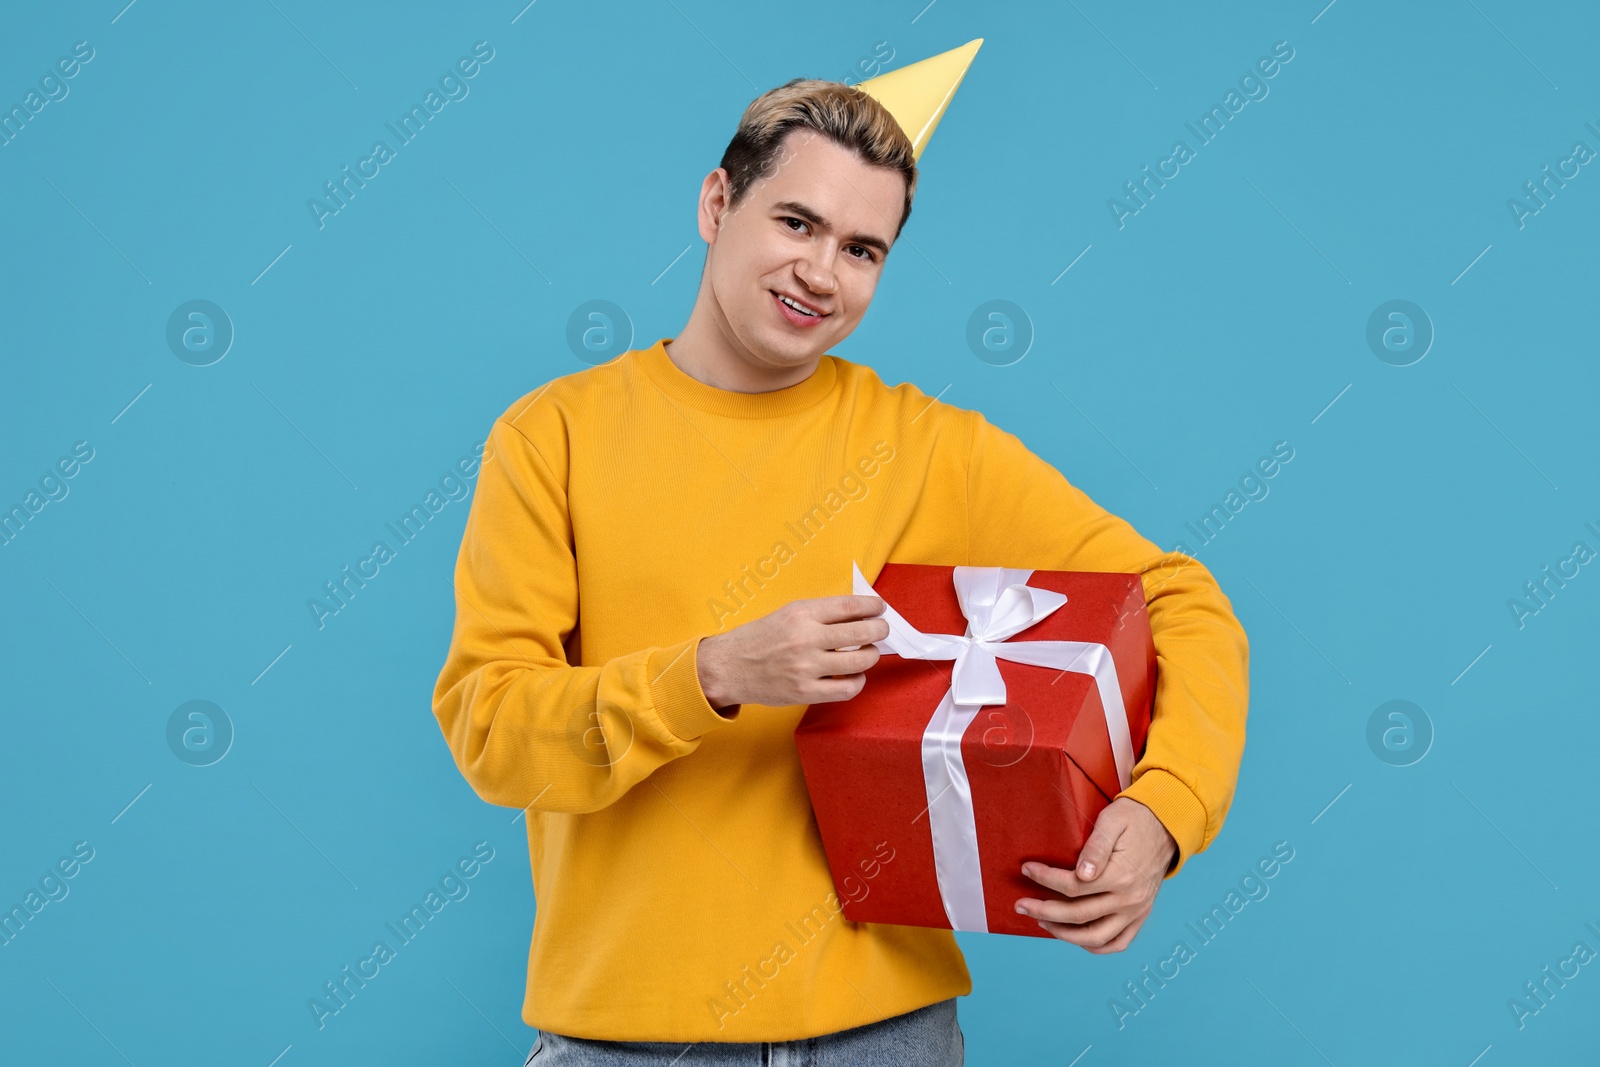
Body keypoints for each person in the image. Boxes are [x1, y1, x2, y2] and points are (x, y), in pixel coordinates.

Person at [431, 39, 1248, 1066]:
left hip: (890, 1035)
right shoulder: (553, 437)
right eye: (796, 222)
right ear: (716, 205)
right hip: (631, 1039)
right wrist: (715, 671)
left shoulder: (920, 446)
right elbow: (492, 727)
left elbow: (1181, 597)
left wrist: (1162, 809)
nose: (820, 272)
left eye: (862, 249)